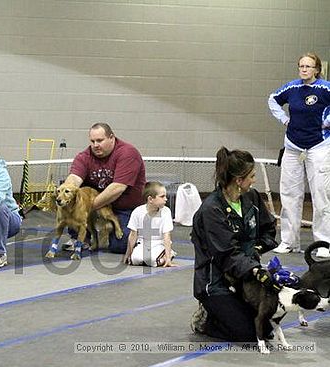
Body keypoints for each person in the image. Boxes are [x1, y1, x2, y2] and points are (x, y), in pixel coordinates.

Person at [190, 147, 279, 341]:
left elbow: (269, 229)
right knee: (248, 333)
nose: (254, 180)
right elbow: (227, 254)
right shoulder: (212, 209)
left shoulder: (252, 197)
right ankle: (206, 319)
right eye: (252, 176)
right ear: (239, 180)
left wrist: (258, 248)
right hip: (215, 281)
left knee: (265, 330)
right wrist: (255, 269)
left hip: (245, 278)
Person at [268, 52, 330, 257]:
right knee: (289, 194)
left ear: (317, 69)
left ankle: (323, 243)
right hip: (293, 146)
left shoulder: (324, 88)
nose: (304, 69)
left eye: (308, 66)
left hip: (319, 146)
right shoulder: (291, 87)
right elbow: (272, 100)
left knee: (321, 195)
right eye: (301, 66)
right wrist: (284, 119)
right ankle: (289, 241)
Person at [63, 122, 146, 254]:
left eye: (100, 140)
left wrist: (86, 207)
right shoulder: (84, 157)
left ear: (112, 137)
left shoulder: (128, 153)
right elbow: (73, 179)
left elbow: (117, 188)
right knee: (73, 197)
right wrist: (66, 194)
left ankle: (142, 234)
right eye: (92, 141)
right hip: (98, 206)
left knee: (120, 245)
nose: (96, 145)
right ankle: (80, 238)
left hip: (125, 207)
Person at [123, 181, 176, 267]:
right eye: (162, 196)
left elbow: (167, 235)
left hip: (159, 242)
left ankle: (168, 254)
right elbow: (133, 235)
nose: (166, 199)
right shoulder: (137, 212)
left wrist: (168, 258)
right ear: (150, 199)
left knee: (151, 260)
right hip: (143, 242)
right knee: (135, 260)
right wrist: (128, 253)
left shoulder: (166, 211)